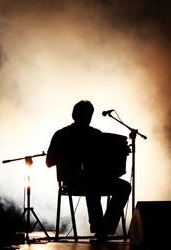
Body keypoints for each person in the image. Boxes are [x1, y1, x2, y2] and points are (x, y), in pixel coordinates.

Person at [46, 100, 131, 240]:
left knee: (124, 186)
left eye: (89, 116)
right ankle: (99, 227)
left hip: (95, 177)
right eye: (84, 115)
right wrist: (72, 153)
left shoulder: (96, 134)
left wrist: (119, 153)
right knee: (92, 180)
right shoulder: (62, 135)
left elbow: (104, 160)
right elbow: (49, 162)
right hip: (72, 179)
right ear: (74, 115)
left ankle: (105, 227)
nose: (87, 119)